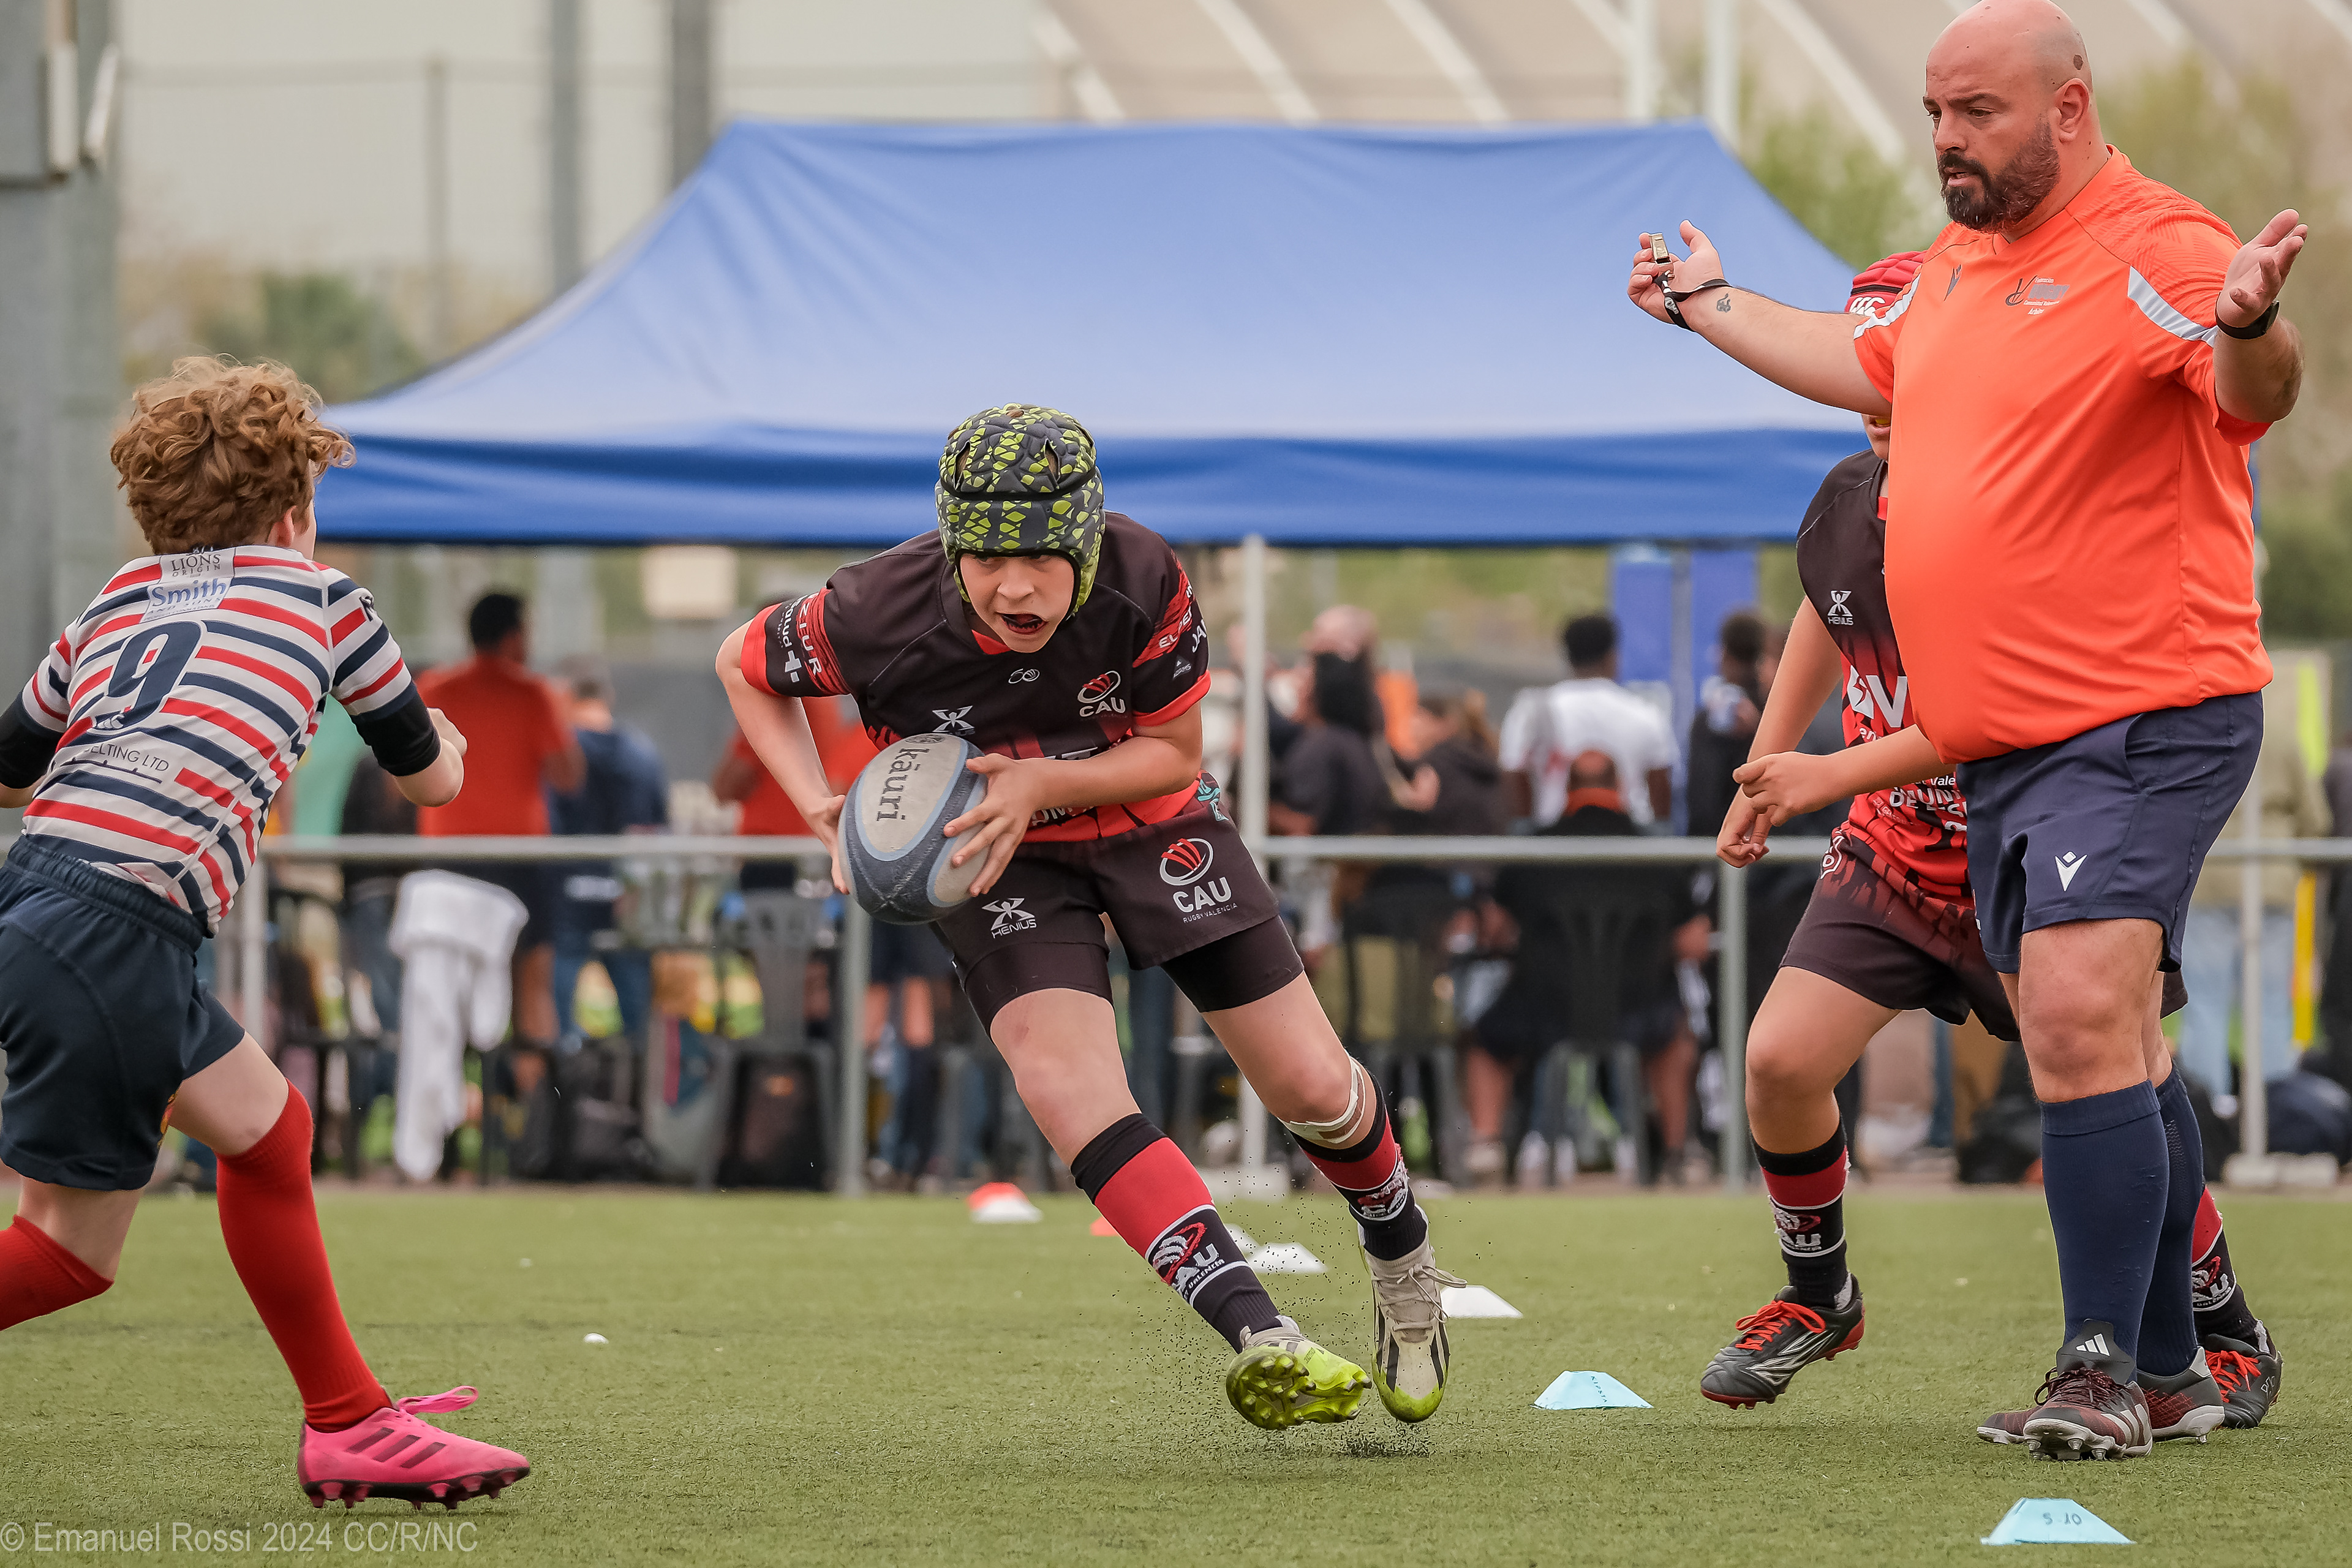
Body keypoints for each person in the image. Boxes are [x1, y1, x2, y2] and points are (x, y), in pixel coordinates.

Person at [1627, 0, 2305, 1458]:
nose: (1944, 138)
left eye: (1974, 113)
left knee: (2074, 1011)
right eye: (1934, 112)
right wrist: (1706, 304)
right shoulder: (1954, 270)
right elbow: (1851, 355)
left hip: (2144, 709)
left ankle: (2100, 1367)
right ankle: (2176, 1361)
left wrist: (2252, 324)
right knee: (2096, 1029)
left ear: (2067, 107)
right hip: (2007, 743)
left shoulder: (2161, 248)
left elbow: (2249, 388)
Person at [719, 404, 1463, 1429]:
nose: (1011, 587)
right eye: (985, 557)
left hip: (1152, 818)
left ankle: (1402, 1255)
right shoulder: (876, 605)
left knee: (1310, 1085)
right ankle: (1263, 1334)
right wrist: (814, 803)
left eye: (1038, 558)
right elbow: (742, 663)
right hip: (997, 849)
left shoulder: (1143, 573)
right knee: (1067, 1090)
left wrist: (1041, 784)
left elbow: (1174, 753)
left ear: (1083, 540)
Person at [1700, 258, 2280, 1435]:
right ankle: (1822, 1295)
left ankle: (2216, 1323)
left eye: (1899, 360)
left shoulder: (2015, 504)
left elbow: (1991, 720)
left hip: (2033, 835)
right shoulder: (1851, 495)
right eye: (1862, 360)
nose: (1877, 390)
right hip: (1896, 849)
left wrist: (1822, 775)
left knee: (2123, 1070)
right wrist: (1767, 764)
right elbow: (1827, 606)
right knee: (1780, 1061)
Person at [0, 358, 529, 1504]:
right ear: (295, 511)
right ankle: (349, 1424)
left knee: (269, 1130)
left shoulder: (114, 602)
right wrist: (444, 738)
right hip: (118, 927)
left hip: (41, 895)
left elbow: (9, 770)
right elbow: (431, 781)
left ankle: (348, 1422)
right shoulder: (325, 600)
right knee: (67, 1253)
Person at [1490, 753, 1710, 1182]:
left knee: (1485, 1041)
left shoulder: (1533, 850)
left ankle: (1486, 1148)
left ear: (1567, 788)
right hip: (1640, 1008)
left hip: (1543, 1009)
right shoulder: (1658, 853)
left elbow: (1496, 932)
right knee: (1676, 1036)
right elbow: (1693, 942)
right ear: (1621, 787)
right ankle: (1678, 1152)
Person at [416, 592, 585, 1058]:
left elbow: (400, 779)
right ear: (514, 637)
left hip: (447, 860)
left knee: (446, 992)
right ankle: (534, 1098)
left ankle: (455, 1097)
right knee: (532, 985)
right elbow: (568, 776)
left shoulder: (433, 690)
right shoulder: (535, 694)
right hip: (519, 860)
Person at [2177, 725, 2326, 1099]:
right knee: (2271, 1002)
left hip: (2211, 873)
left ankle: (2213, 1108)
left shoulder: (2199, 733)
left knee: (2205, 1001)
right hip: (2271, 877)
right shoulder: (2282, 737)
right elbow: (2316, 818)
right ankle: (2277, 1106)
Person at [548, 657, 669, 1048]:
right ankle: (638, 1080)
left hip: (565, 895)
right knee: (638, 1027)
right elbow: (656, 830)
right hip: (625, 895)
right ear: (608, 696)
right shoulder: (642, 756)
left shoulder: (558, 756)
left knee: (556, 1023)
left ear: (565, 697)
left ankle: (559, 1079)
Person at [1498, 614, 1676, 828]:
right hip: (1630, 841)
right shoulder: (1646, 715)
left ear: (1568, 656)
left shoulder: (1529, 713)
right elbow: (1660, 792)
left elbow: (1514, 777)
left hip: (1551, 840)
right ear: (1612, 657)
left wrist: (1527, 833)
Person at [1684, 610, 1768, 851]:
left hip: (1717, 846)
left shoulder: (1709, 719)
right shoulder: (1776, 714)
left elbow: (1702, 800)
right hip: (1767, 846)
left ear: (1724, 655)